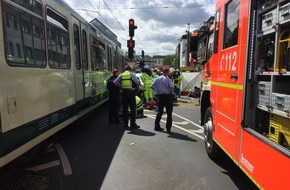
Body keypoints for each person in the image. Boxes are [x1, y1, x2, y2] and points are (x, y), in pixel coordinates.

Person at [114, 65, 140, 129]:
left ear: (125, 69)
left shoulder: (121, 75)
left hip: (124, 93)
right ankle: (132, 124)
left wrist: (121, 86)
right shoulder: (132, 74)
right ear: (130, 69)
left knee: (124, 109)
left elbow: (115, 82)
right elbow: (137, 82)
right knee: (132, 109)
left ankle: (125, 124)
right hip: (131, 93)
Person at [151, 68, 174, 133]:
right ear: (168, 72)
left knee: (160, 112)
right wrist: (172, 94)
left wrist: (157, 90)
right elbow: (171, 87)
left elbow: (152, 86)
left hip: (160, 96)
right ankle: (168, 128)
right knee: (169, 113)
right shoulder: (168, 79)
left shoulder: (157, 79)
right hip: (167, 96)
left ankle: (156, 126)